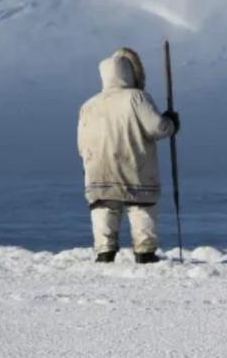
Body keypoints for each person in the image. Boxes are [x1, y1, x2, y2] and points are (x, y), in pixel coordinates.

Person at [77, 48, 181, 264]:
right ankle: (145, 253)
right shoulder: (137, 98)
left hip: (98, 171)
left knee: (104, 211)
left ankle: (105, 252)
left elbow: (82, 143)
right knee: (141, 209)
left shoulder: (89, 105)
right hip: (134, 168)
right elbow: (157, 128)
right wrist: (171, 122)